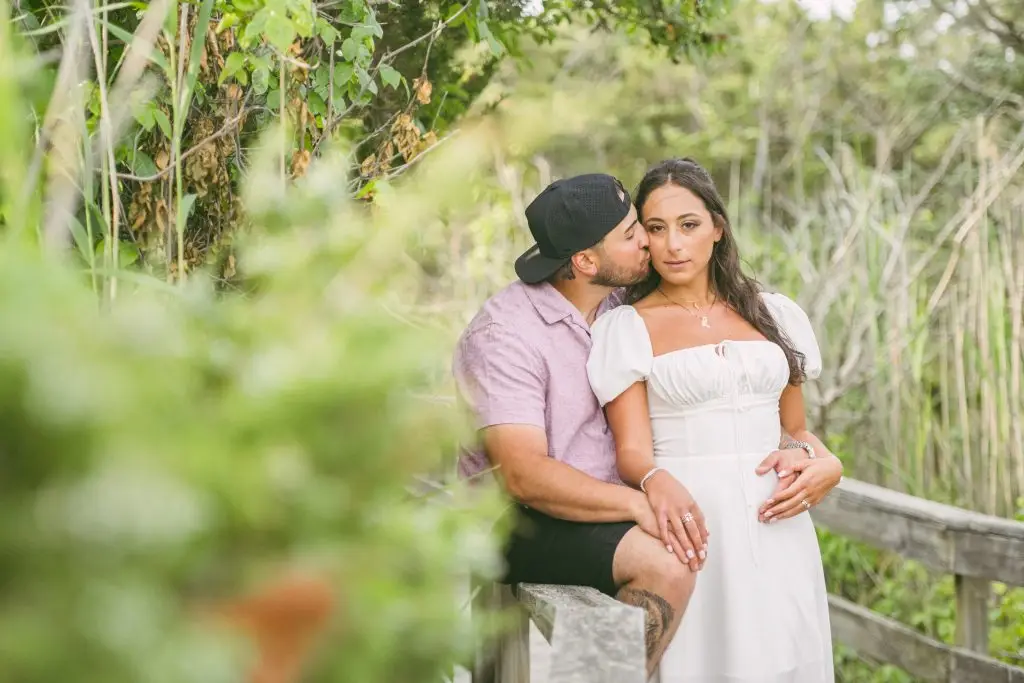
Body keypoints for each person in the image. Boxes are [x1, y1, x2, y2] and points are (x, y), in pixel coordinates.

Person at [453, 172, 841, 677]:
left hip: (619, 510)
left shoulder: (617, 300)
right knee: (666, 563)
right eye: (639, 232)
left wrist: (822, 458)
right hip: (520, 519)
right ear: (586, 261)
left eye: (649, 226)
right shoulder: (506, 335)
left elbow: (786, 423)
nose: (655, 245)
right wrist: (643, 497)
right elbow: (523, 476)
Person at [587, 157, 842, 682]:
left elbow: (793, 432)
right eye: (656, 229)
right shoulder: (626, 327)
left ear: (717, 228)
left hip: (778, 521)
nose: (674, 245)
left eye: (689, 225)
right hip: (692, 522)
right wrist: (658, 482)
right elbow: (632, 452)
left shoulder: (773, 314)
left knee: (784, 656)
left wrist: (826, 463)